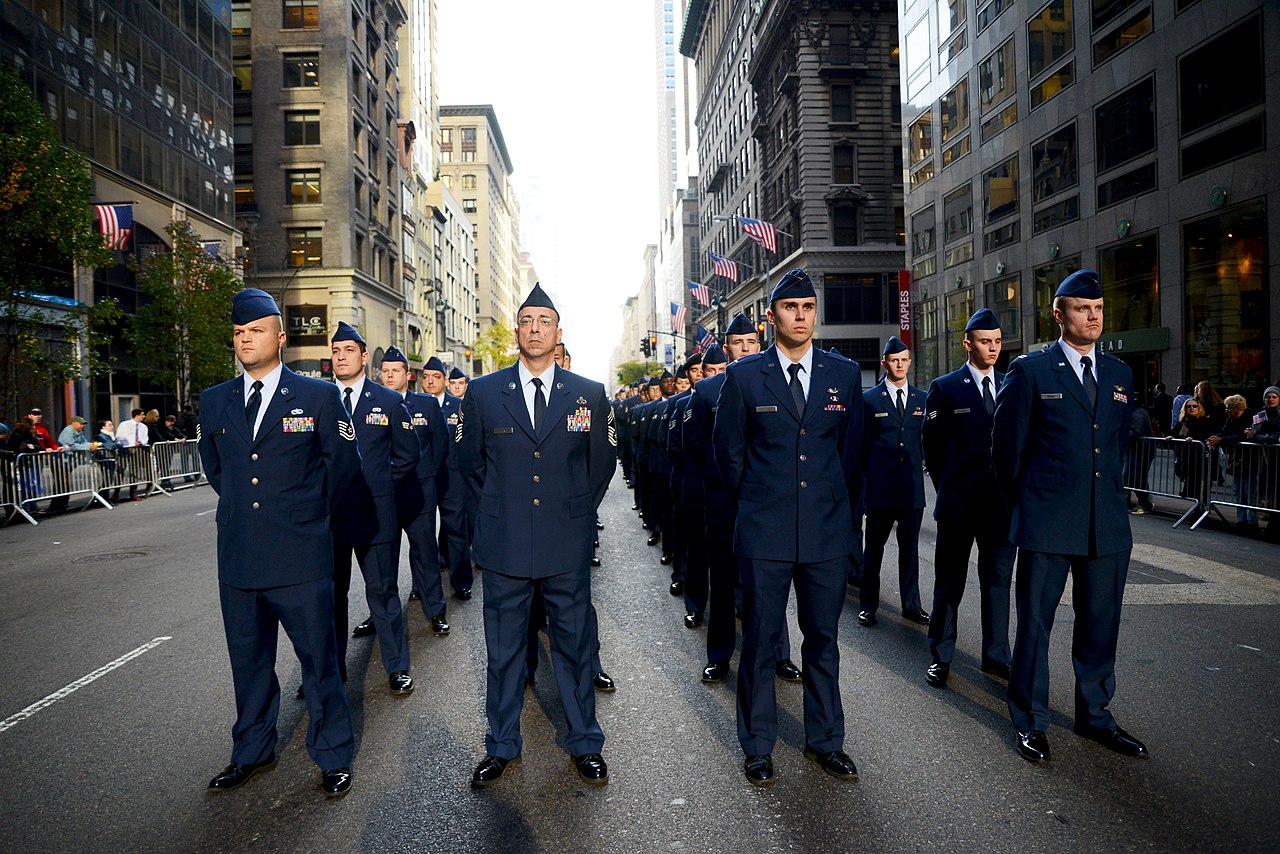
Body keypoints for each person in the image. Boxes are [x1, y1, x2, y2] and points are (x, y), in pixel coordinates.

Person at [198, 287, 359, 798]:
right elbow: (218, 469)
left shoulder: (317, 396)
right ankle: (251, 751)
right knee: (248, 665)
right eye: (240, 333)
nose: (246, 340)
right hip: (241, 558)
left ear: (281, 338)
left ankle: (332, 752)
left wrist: (304, 515)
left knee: (318, 663)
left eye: (257, 331)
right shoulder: (215, 399)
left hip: (301, 555)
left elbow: (343, 467)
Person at [457, 283, 615, 788]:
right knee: (503, 652)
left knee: (572, 646)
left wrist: (572, 513)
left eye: (544, 321)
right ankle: (501, 744)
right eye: (526, 321)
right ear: (517, 333)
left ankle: (584, 741)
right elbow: (471, 468)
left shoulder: (587, 393)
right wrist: (504, 513)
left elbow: (599, 465)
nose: (534, 329)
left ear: (558, 332)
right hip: (504, 544)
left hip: (565, 542)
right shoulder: (483, 394)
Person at [713, 269, 864, 787]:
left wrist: (831, 505)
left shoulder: (843, 376)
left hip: (824, 532)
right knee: (758, 641)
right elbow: (729, 455)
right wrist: (760, 501)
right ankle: (758, 744)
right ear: (771, 315)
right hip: (764, 532)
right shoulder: (744, 377)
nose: (800, 316)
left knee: (823, 640)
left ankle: (826, 741)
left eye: (808, 307)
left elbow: (852, 454)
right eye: (790, 307)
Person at [992, 269, 1148, 766]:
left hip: (1105, 522)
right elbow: (1007, 449)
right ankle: (1030, 719)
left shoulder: (1121, 374)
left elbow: (1116, 441)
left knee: (1102, 623)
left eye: (1098, 308)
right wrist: (1028, 500)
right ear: (1059, 314)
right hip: (1046, 518)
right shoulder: (1032, 370)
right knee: (1036, 626)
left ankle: (1096, 715)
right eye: (1083, 308)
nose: (1093, 316)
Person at [921, 307, 1015, 688]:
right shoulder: (945, 388)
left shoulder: (1011, 383)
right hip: (960, 504)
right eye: (984, 342)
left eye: (996, 342)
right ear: (967, 344)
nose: (992, 349)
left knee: (997, 582)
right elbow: (932, 448)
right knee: (949, 583)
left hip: (999, 508)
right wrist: (951, 488)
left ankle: (996, 658)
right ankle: (941, 657)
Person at [328, 321, 419, 697]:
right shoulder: (319, 400)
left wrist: (376, 485)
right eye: (335, 351)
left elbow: (408, 455)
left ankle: (396, 667)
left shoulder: (389, 401)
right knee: (329, 598)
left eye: (349, 350)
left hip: (376, 513)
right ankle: (330, 672)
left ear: (364, 357)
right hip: (330, 516)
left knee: (381, 592)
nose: (341, 357)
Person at [857, 336, 930, 628]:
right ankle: (868, 606)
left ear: (909, 363)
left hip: (911, 489)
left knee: (910, 550)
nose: (899, 365)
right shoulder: (870, 399)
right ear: (884, 363)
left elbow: (929, 441)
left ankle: (911, 605)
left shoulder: (922, 399)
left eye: (904, 360)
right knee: (874, 549)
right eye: (894, 360)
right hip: (881, 489)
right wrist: (863, 491)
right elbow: (862, 448)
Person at [381, 346, 450, 637]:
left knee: (426, 555)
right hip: (386, 497)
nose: (389, 376)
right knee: (383, 563)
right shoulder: (374, 403)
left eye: (395, 370)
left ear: (408, 375)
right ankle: (380, 616)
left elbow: (441, 445)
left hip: (419, 494)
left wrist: (426, 476)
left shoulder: (426, 405)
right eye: (384, 371)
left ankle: (436, 611)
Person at [423, 356, 472, 600]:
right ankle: (420, 586)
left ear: (445, 380)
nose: (430, 382)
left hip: (453, 478)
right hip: (425, 479)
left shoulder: (459, 406)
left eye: (436, 377)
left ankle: (461, 581)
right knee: (422, 536)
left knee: (456, 531)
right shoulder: (414, 406)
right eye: (426, 377)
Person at [1210, 394, 1259, 532]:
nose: (1226, 410)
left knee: (1250, 490)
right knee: (1238, 490)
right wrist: (1215, 437)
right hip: (1236, 458)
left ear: (1236, 407)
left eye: (1228, 408)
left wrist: (1221, 440)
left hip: (1250, 458)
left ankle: (1252, 520)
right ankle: (1241, 519)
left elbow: (1243, 435)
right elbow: (1224, 431)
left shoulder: (1250, 417)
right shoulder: (1231, 418)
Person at [1245, 387, 1280, 541]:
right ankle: (1270, 524)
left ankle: (1275, 526)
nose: (1270, 399)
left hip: (1276, 459)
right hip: (1263, 460)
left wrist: (1257, 436)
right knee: (1268, 492)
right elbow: (1254, 431)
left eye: (1274, 397)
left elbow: (1275, 437)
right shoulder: (1260, 414)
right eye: (1268, 397)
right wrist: (1251, 434)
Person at [1172, 398, 1215, 502]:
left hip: (1200, 456)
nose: (1192, 408)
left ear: (1199, 408)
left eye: (1194, 406)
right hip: (1186, 456)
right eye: (1189, 406)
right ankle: (1195, 503)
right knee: (1190, 479)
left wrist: (1195, 439)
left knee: (1202, 481)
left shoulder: (1204, 420)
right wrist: (1171, 438)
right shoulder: (1183, 421)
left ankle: (1203, 503)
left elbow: (1208, 436)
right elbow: (1176, 434)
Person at [114, 408, 149, 501]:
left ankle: (133, 493)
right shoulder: (124, 424)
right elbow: (119, 437)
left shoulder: (144, 427)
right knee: (120, 471)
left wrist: (141, 442)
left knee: (135, 472)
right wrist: (127, 444)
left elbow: (146, 439)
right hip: (125, 450)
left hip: (137, 450)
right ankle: (115, 493)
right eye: (142, 414)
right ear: (137, 415)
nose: (144, 416)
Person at [93, 419, 123, 503]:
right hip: (104, 459)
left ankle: (101, 498)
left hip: (110, 458)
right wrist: (117, 444)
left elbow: (116, 444)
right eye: (109, 425)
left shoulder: (110, 435)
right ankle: (101, 498)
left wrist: (116, 444)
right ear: (103, 427)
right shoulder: (102, 436)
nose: (112, 427)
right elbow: (110, 446)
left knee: (108, 479)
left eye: (112, 425)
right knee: (107, 479)